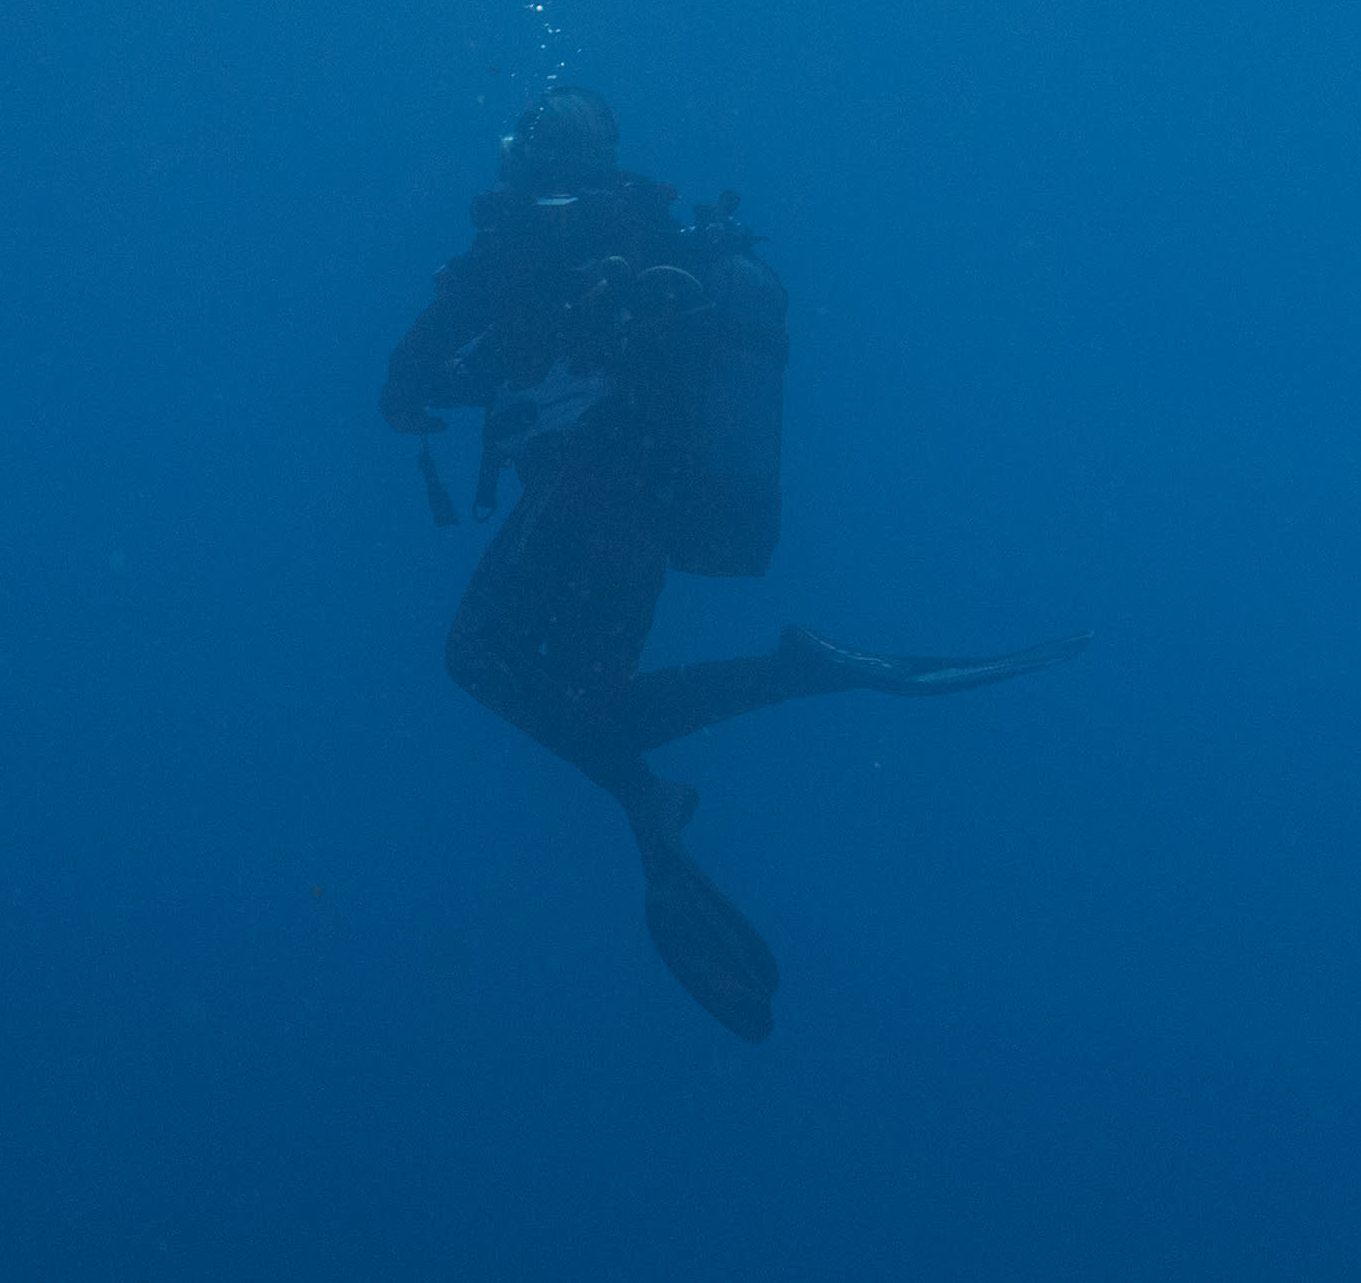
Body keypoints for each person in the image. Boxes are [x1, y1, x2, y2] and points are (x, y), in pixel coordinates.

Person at [382, 89, 1066, 1040]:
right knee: (595, 702)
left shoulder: (523, 237)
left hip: (588, 485)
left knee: (479, 657)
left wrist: (425, 391)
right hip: (658, 502)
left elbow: (414, 371)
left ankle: (651, 790)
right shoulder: (646, 231)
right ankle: (795, 677)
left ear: (537, 153)